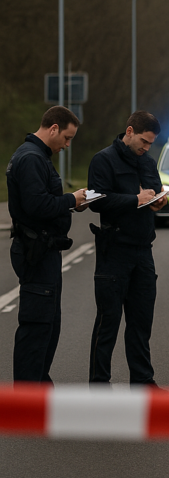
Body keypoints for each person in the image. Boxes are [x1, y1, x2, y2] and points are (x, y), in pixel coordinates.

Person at [6, 106, 87, 382]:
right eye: (67, 138)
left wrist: (72, 203)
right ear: (53, 129)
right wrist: (71, 199)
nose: (67, 145)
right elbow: (37, 205)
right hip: (36, 252)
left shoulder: (36, 155)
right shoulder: (31, 158)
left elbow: (42, 200)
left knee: (48, 327)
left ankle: (39, 389)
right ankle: (28, 397)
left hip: (44, 251)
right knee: (37, 327)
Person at [87, 111, 167, 386]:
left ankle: (143, 383)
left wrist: (159, 201)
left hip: (143, 250)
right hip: (114, 250)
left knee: (141, 323)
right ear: (129, 132)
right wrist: (135, 199)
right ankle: (99, 387)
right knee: (107, 323)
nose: (146, 148)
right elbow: (96, 201)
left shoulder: (148, 162)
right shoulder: (103, 160)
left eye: (151, 144)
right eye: (144, 141)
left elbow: (154, 190)